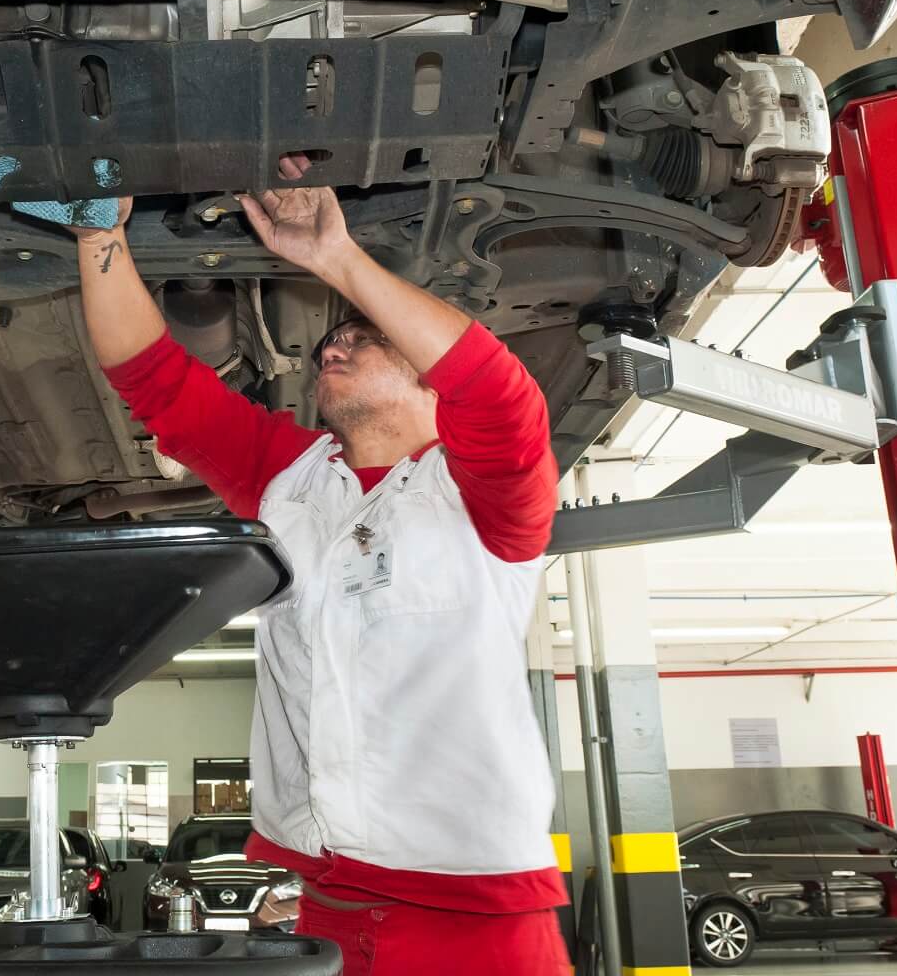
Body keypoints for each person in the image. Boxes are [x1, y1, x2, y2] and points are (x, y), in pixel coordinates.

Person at [69, 155, 568, 976]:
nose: (336, 341)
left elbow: (498, 392)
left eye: (367, 338)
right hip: (325, 903)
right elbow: (154, 381)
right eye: (335, 337)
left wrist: (334, 257)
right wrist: (99, 233)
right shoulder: (290, 478)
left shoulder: (484, 492)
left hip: (474, 915)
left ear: (433, 387)